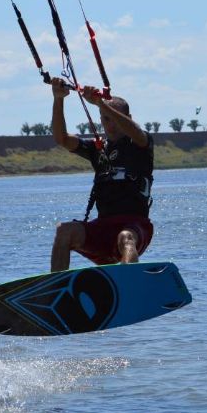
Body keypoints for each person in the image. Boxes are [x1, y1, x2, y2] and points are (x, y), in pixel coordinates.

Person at [49, 77, 154, 272]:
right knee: (64, 231)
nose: (110, 124)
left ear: (128, 117)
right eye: (105, 119)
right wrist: (58, 98)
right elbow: (61, 138)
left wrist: (101, 104)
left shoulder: (141, 144)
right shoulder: (98, 149)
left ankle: (128, 281)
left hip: (135, 226)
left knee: (126, 238)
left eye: (114, 117)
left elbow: (136, 132)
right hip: (103, 229)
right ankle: (57, 288)